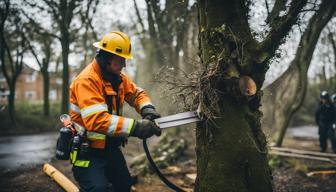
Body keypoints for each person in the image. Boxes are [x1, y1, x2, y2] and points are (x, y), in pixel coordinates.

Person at [69, 31, 162, 192]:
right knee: (98, 189)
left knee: (124, 186)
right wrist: (137, 127)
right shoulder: (87, 81)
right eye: (121, 60)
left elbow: (137, 94)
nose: (124, 65)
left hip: (110, 148)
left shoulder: (118, 77)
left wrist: (148, 109)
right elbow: (97, 120)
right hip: (88, 152)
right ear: (107, 57)